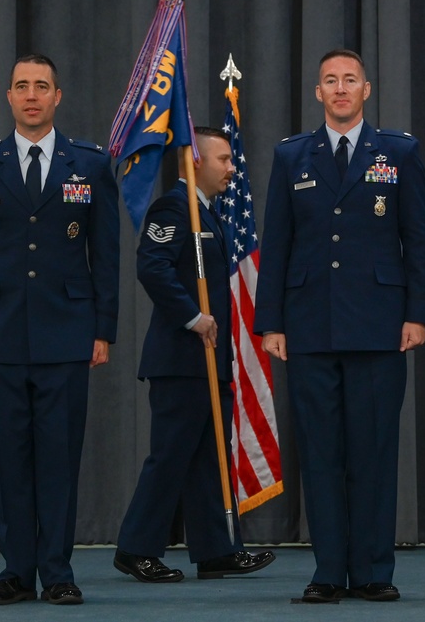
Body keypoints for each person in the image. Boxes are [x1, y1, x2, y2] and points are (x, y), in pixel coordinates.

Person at [254, 49, 425, 603]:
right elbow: (278, 244)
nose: (339, 89)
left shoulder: (399, 152)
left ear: (366, 89)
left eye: (349, 80)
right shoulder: (292, 157)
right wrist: (271, 324)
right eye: (330, 81)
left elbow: (420, 241)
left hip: (380, 326)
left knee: (375, 452)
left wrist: (418, 313)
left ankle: (375, 572)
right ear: (318, 93)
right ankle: (329, 571)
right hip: (308, 327)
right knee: (322, 453)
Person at [0, 54, 120, 606]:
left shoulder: (90, 165)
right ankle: (16, 572)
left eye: (41, 86)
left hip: (67, 333)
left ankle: (58, 571)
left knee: (58, 458)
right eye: (21, 86)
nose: (31, 95)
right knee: (7, 458)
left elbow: (107, 256)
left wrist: (104, 329)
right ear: (9, 97)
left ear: (57, 96)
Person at [112, 127, 275, 584]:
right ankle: (136, 548)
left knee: (209, 458)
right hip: (181, 360)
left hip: (210, 360)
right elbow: (152, 265)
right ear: (196, 162)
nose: (232, 167)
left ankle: (216, 549)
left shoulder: (213, 216)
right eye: (223, 159)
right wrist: (191, 316)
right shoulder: (173, 208)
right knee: (170, 456)